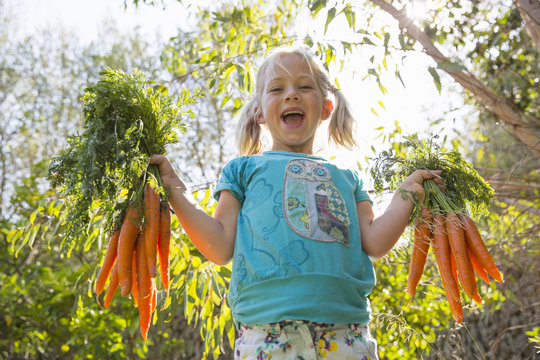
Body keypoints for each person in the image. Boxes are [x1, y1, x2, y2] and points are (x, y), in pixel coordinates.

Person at [150, 45, 441, 360]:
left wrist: (406, 195)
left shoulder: (346, 177)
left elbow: (375, 241)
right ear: (259, 112)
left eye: (304, 87)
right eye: (277, 89)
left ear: (327, 107)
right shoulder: (242, 170)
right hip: (267, 333)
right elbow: (219, 246)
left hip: (346, 332)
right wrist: (175, 191)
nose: (292, 95)